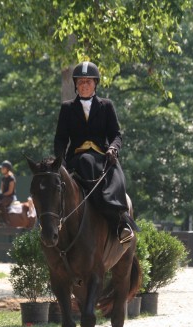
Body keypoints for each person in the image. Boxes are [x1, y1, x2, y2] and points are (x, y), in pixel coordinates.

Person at [54, 61, 138, 243]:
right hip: (77, 158)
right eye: (81, 81)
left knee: (118, 176)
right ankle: (49, 224)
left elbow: (116, 134)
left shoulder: (106, 105)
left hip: (103, 156)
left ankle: (121, 221)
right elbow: (61, 138)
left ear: (95, 84)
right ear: (76, 84)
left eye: (88, 81)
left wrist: (113, 148)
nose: (84, 85)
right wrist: (60, 161)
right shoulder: (67, 108)